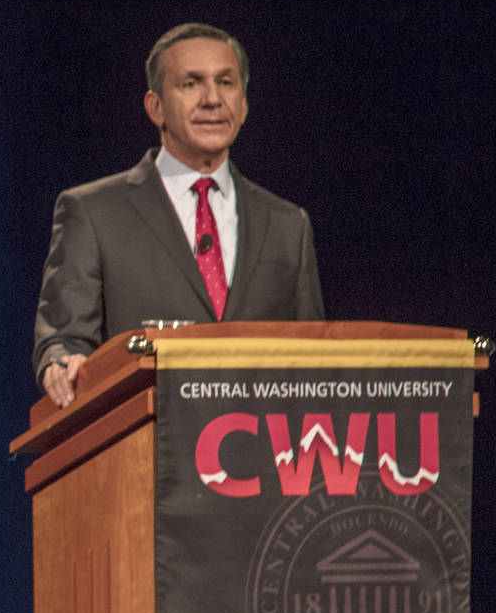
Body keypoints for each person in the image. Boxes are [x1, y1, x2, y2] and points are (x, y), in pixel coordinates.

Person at [32, 22, 324, 406]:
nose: (212, 99)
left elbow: (316, 359)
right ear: (155, 107)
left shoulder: (288, 225)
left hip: (263, 437)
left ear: (243, 104)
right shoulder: (92, 213)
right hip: (147, 433)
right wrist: (61, 363)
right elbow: (65, 342)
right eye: (191, 84)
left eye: (226, 83)